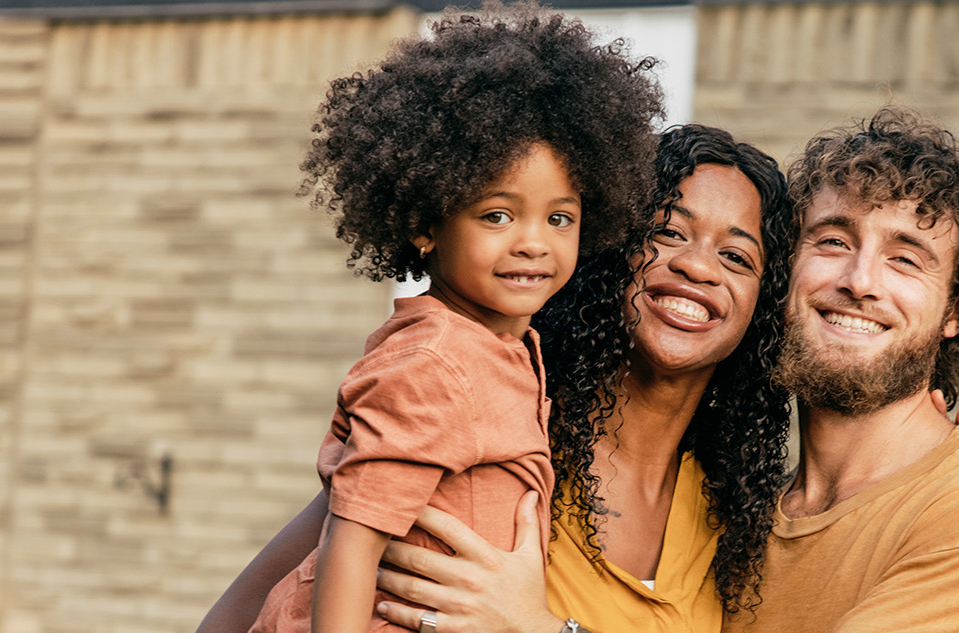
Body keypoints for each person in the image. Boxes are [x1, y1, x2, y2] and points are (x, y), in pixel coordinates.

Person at [203, 123, 797, 633]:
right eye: (668, 231)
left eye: (737, 256)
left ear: (762, 306)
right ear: (612, 243)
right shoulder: (476, 415)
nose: (696, 265)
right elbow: (245, 614)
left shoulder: (733, 517)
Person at [235, 4, 664, 633]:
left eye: (559, 217)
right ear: (425, 224)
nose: (533, 242)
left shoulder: (507, 349)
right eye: (497, 215)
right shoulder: (433, 363)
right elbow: (352, 541)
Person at [725, 106, 959, 632]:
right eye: (834, 241)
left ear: (955, 311)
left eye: (905, 259)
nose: (859, 280)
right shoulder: (738, 515)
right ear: (783, 271)